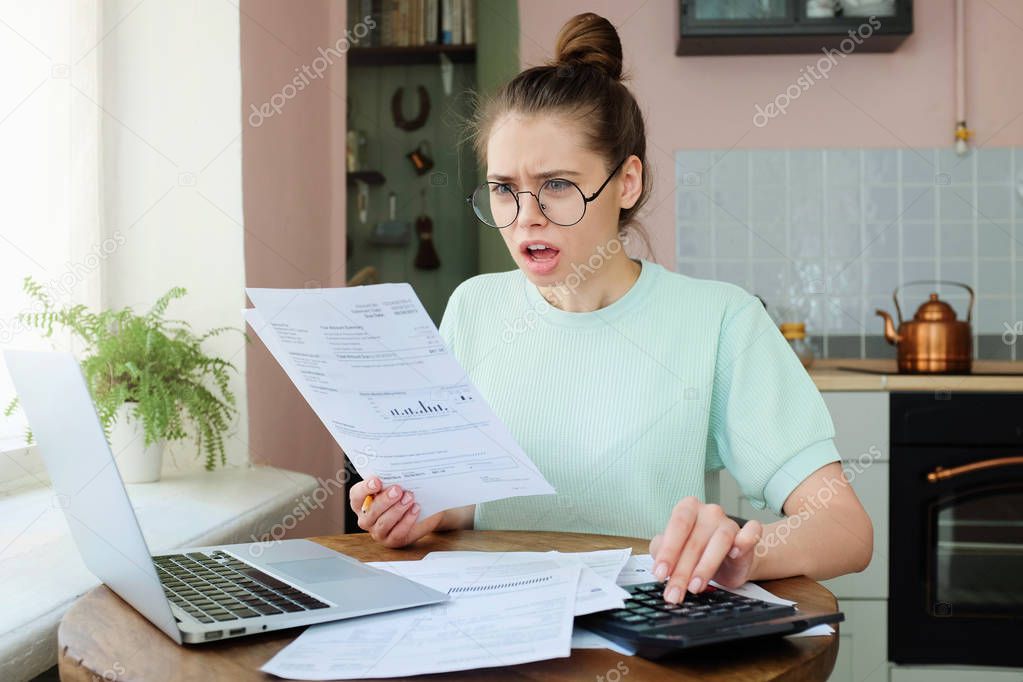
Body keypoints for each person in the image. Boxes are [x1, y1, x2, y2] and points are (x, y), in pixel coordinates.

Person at [349, 12, 872, 605]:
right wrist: (427, 512)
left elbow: (846, 531)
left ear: (626, 182)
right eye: (503, 188)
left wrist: (743, 552)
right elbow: (476, 502)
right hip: (495, 629)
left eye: (557, 185)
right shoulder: (474, 307)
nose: (525, 216)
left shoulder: (719, 321)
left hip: (646, 636)